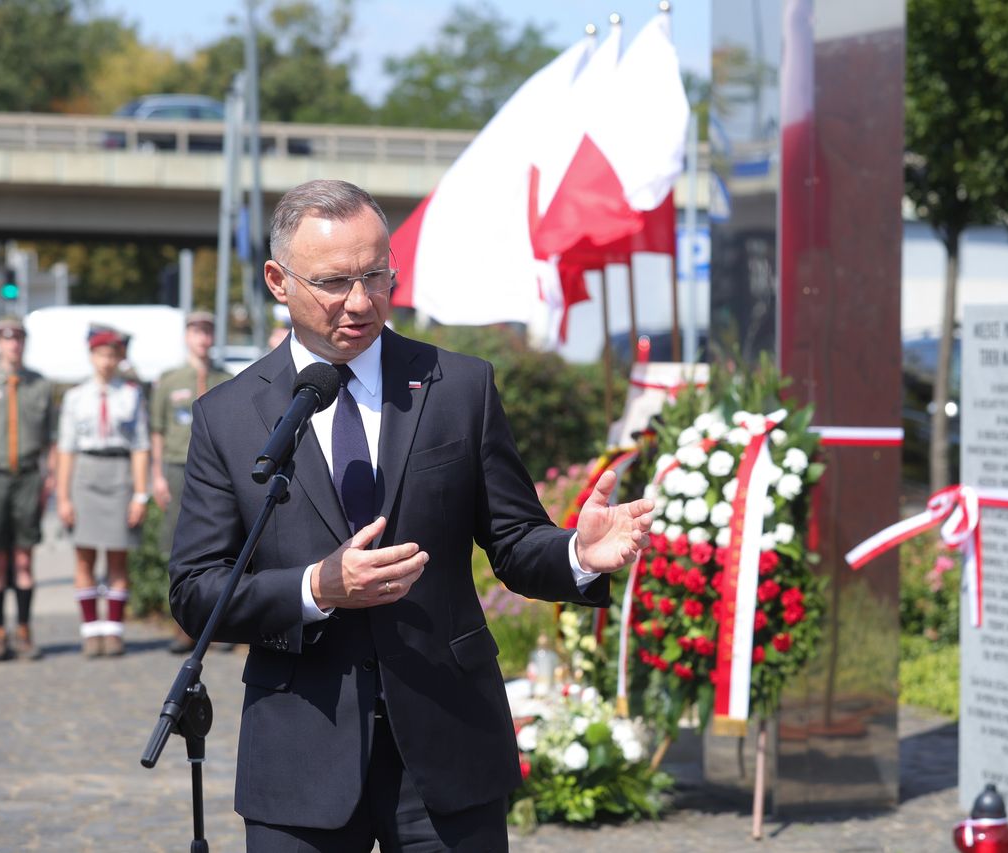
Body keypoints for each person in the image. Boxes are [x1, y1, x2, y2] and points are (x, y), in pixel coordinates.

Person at [169, 179, 653, 851]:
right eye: (335, 282)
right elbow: (195, 590)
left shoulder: (461, 387)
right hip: (300, 755)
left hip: (447, 750)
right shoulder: (227, 417)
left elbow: (513, 542)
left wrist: (576, 553)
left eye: (377, 275)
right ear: (278, 281)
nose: (361, 301)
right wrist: (315, 589)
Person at [57, 327, 151, 657]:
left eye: (112, 355)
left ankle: (113, 631)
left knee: (117, 555)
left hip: (119, 472)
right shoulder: (75, 397)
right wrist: (63, 496)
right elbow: (65, 449)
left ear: (119, 358)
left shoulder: (130, 394)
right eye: (101, 355)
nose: (106, 362)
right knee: (84, 555)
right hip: (86, 472)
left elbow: (141, 446)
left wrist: (141, 494)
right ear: (91, 356)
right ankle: (89, 630)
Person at [151, 311, 232, 653]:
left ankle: (218, 625)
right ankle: (184, 626)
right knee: (178, 548)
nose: (203, 337)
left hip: (218, 472)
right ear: (187, 336)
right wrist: (156, 475)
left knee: (221, 548)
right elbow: (157, 429)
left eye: (208, 331)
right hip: (177, 466)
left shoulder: (225, 377)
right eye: (197, 331)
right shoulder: (170, 381)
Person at [0, 316, 56, 662]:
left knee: (24, 557)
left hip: (26, 476)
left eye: (19, 338)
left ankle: (23, 630)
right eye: (7, 339)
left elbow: (49, 440)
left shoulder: (39, 385)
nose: (13, 344)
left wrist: (49, 478)